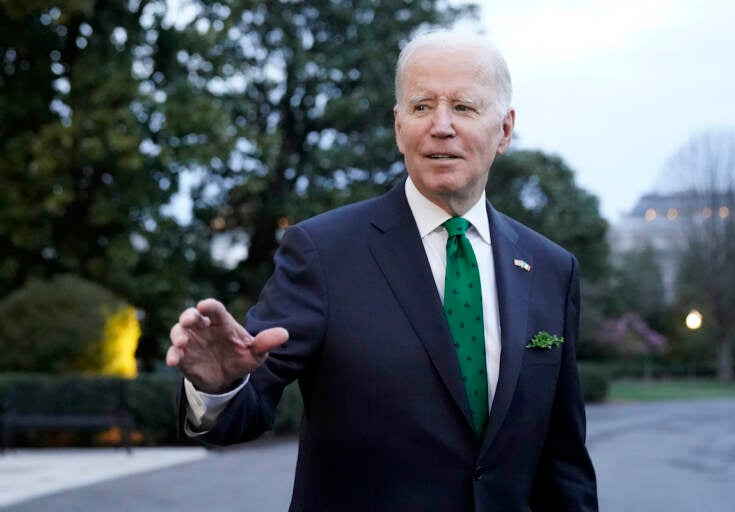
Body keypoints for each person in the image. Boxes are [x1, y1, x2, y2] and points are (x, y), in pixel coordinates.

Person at [167, 30, 598, 511]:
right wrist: (218, 386)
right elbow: (244, 411)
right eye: (420, 107)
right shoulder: (323, 252)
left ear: (505, 129)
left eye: (463, 107)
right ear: (398, 127)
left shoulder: (551, 269)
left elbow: (563, 464)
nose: (441, 126)